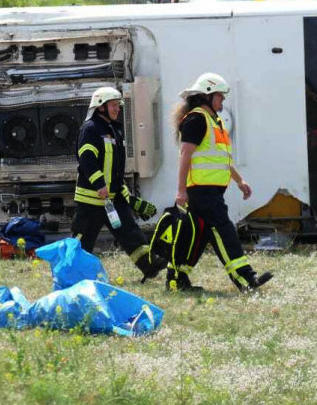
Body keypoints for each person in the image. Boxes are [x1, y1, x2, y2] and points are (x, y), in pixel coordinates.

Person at [172, 73, 272, 292]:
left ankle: (176, 279)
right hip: (201, 191)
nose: (223, 101)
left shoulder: (213, 122)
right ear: (207, 95)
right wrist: (181, 190)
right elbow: (185, 155)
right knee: (224, 230)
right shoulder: (196, 120)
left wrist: (240, 181)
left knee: (196, 236)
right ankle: (246, 279)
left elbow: (221, 159)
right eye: (220, 96)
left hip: (210, 191)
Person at [72, 87, 168, 281]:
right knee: (83, 241)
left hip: (113, 198)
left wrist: (127, 196)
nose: (117, 109)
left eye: (118, 105)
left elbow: (115, 169)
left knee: (130, 231)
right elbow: (87, 159)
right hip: (92, 200)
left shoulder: (114, 129)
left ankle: (149, 265)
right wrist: (99, 184)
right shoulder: (90, 129)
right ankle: (72, 275)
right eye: (113, 105)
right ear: (100, 107)